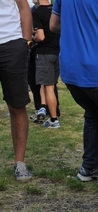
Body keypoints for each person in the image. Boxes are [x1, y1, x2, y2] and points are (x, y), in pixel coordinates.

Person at [50, 0, 98, 187]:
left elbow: (53, 25)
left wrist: (76, 31)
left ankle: (88, 167)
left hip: (70, 70)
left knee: (92, 115)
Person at [0, 0, 32, 181]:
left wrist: (25, 43)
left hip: (11, 44)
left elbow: (23, 6)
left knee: (17, 105)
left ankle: (20, 162)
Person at [32, 0, 61, 128]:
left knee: (48, 86)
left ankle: (54, 120)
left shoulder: (37, 12)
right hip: (58, 52)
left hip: (44, 53)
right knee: (48, 83)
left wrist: (33, 37)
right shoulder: (56, 10)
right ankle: (43, 107)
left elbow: (41, 37)